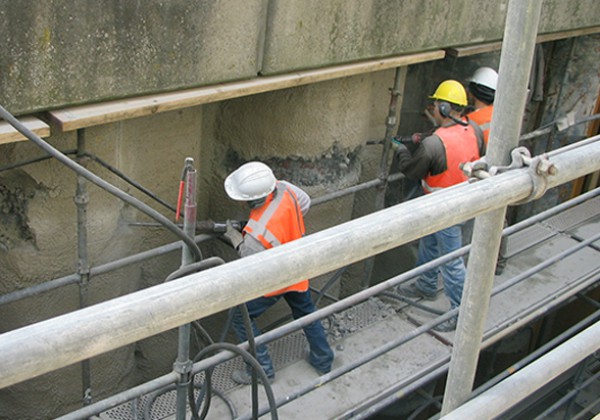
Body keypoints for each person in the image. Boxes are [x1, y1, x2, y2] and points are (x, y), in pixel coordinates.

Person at [222, 161, 334, 385]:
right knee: (306, 312)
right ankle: (323, 360)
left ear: (252, 199)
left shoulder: (256, 234)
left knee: (240, 316)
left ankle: (260, 370)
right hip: (297, 264)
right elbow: (304, 203)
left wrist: (235, 237)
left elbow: (249, 258)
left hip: (275, 278)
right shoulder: (285, 189)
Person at [393, 80, 485, 332]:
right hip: (466, 200)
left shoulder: (434, 144)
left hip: (446, 208)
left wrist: (401, 149)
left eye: (435, 105)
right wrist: (423, 138)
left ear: (444, 108)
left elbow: (412, 171)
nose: (432, 108)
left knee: (452, 261)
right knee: (430, 243)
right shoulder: (473, 129)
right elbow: (458, 149)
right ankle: (426, 283)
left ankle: (461, 312)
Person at [465, 67, 507, 275]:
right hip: (503, 169)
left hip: (483, 172)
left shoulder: (472, 121)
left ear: (473, 91)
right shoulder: (503, 115)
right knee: (499, 217)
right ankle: (498, 263)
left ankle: (475, 265)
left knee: (478, 219)